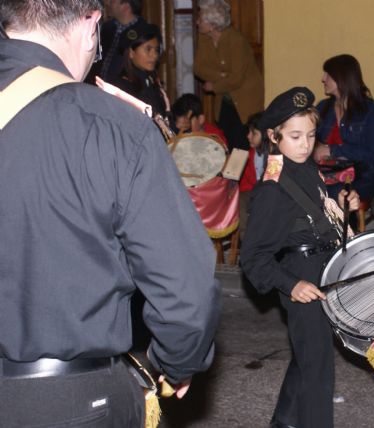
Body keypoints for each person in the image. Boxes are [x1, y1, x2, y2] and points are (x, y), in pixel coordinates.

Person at [0, 1, 220, 426]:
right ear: (91, 26)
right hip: (70, 401)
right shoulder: (112, 126)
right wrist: (174, 362)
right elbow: (184, 290)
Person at [240, 87, 359, 428]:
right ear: (273, 136)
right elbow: (253, 258)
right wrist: (291, 285)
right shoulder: (272, 188)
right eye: (294, 136)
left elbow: (314, 213)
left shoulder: (303, 167)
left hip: (322, 269)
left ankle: (284, 420)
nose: (305, 144)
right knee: (318, 369)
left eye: (309, 135)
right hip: (302, 277)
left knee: (307, 356)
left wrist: (342, 205)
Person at [194, 0, 264, 150]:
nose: (196, 22)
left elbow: (237, 78)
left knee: (243, 145)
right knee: (227, 144)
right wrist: (223, 75)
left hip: (246, 102)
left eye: (200, 19)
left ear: (211, 23)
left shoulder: (236, 41)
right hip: (224, 101)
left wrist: (213, 85)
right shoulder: (204, 38)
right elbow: (199, 69)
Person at [313, 54, 374, 202]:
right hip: (326, 174)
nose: (323, 79)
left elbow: (369, 154)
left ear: (341, 78)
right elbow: (311, 141)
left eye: (328, 74)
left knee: (336, 193)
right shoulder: (322, 107)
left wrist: (332, 150)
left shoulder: (370, 109)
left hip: (361, 176)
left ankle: (339, 225)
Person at [112, 20, 170, 119]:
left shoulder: (152, 82)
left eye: (156, 50)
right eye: (148, 49)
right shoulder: (122, 88)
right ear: (131, 53)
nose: (154, 55)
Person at [95, 0, 145, 84]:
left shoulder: (144, 32)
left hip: (125, 91)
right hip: (99, 89)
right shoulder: (107, 27)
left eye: (112, 1)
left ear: (126, 6)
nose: (107, 4)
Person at [238, 111, 266, 237]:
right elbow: (246, 183)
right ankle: (246, 240)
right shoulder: (250, 154)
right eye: (248, 132)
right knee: (240, 201)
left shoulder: (274, 154)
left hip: (267, 191)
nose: (248, 136)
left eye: (253, 133)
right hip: (252, 191)